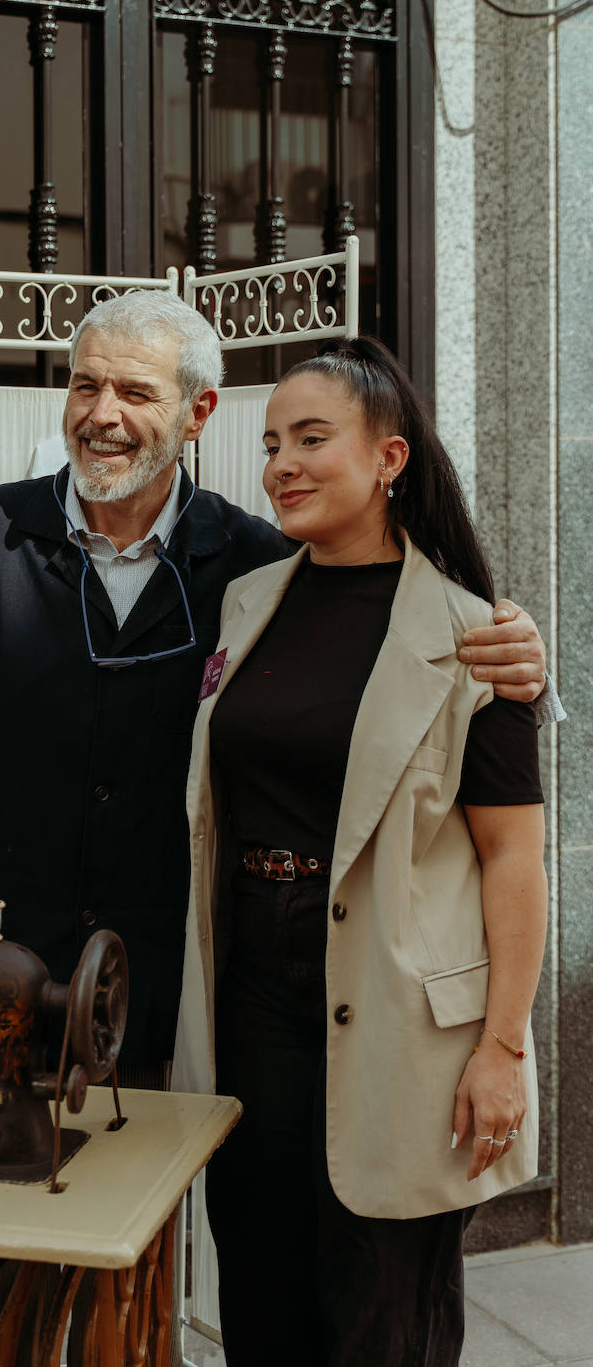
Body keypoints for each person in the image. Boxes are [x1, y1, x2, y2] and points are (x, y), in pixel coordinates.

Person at [0, 295, 549, 1351]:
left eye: (135, 390)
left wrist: (530, 675)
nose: (103, 413)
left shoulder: (256, 565)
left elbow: (424, 676)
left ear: (194, 412)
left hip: (166, 1000)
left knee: (132, 1302)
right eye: (86, 384)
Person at [172, 335, 550, 1367]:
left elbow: (514, 858)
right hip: (252, 989)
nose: (280, 464)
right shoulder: (247, 604)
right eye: (269, 444)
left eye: (310, 438)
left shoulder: (475, 635)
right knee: (260, 1287)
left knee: (384, 1313)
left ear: (388, 459)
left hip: (398, 1009)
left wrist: (503, 1049)